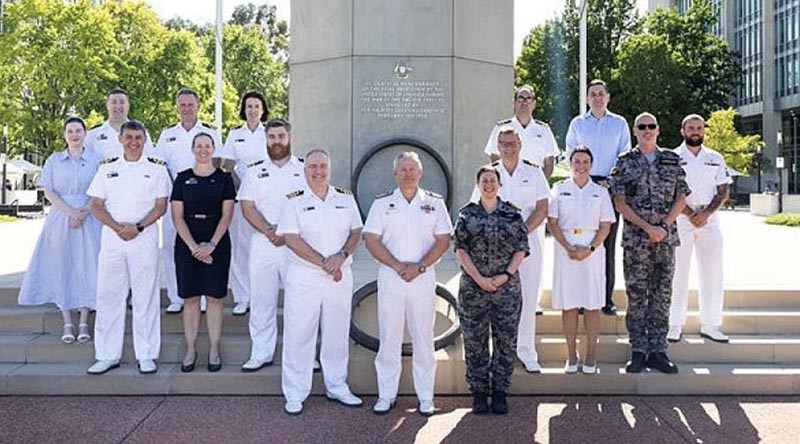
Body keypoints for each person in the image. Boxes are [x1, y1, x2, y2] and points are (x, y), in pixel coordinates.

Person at [363, 152, 452, 416]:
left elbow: (444, 240)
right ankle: (386, 395)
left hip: (423, 278)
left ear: (421, 172)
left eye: (412, 169)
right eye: (402, 169)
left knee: (423, 337)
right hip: (392, 277)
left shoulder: (434, 203)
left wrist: (420, 266)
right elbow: (371, 239)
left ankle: (425, 397)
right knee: (389, 337)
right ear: (395, 174)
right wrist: (398, 265)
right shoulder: (382, 204)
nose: (408, 173)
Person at [277, 149, 363, 415]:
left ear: (330, 168)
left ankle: (337, 386)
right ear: (305, 170)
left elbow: (356, 231)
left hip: (339, 275)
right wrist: (324, 262)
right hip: (305, 276)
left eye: (322, 166)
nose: (318, 171)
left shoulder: (345, 198)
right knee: (299, 334)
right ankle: (295, 392)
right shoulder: (294, 201)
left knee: (336, 333)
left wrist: (341, 256)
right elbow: (291, 238)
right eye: (312, 167)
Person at [85, 120, 170, 375]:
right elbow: (96, 205)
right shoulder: (107, 168)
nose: (134, 143)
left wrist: (138, 227)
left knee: (145, 297)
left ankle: (146, 355)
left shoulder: (156, 169)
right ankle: (107, 355)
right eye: (129, 138)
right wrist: (117, 227)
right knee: (109, 296)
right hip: (113, 239)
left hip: (143, 239)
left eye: (139, 138)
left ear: (145, 140)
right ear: (120, 140)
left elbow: (161, 205)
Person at [610, 112, 688, 374]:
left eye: (651, 126)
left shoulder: (672, 160)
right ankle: (638, 350)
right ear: (634, 131)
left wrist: (663, 226)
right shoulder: (624, 162)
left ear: (658, 130)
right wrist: (647, 228)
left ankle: (658, 350)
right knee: (637, 295)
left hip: (665, 239)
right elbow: (620, 202)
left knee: (662, 295)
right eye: (641, 126)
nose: (646, 130)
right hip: (636, 240)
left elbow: (681, 198)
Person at [18, 117, 102, 344]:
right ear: (65, 134)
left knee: (87, 266)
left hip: (90, 217)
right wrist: (71, 213)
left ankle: (84, 320)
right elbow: (49, 192)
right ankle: (67, 320)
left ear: (85, 134)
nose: (74, 135)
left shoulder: (96, 160)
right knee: (62, 266)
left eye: (78, 130)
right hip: (61, 218)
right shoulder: (54, 160)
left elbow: (100, 190)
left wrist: (83, 212)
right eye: (70, 131)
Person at [471, 126, 548, 373]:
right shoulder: (490, 174)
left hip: (527, 244)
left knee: (526, 297)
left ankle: (526, 350)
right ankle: (499, 352)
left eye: (512, 143)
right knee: (496, 301)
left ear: (520, 145)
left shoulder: (534, 172)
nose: (508, 147)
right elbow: (476, 208)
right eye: (503, 143)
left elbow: (542, 207)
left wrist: (519, 233)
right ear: (498, 146)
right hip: (494, 249)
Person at [454, 165, 529, 415]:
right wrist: (478, 278)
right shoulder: (467, 215)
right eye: (484, 180)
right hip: (473, 290)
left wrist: (505, 275)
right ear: (478, 185)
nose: (488, 184)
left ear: (499, 184)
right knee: (475, 342)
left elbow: (522, 248)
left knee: (505, 341)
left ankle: (499, 391)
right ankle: (478, 392)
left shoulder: (512, 214)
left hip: (506, 289)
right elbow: (460, 249)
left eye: (492, 180)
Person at [237, 119, 305, 372]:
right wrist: (268, 229)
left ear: (290, 138)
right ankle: (261, 353)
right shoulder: (254, 171)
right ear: (266, 140)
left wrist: (286, 233)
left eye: (281, 136)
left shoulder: (304, 169)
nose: (276, 141)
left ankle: (302, 354)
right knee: (262, 301)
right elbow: (247, 206)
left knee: (298, 302)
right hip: (263, 243)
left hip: (295, 245)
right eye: (272, 137)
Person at [565, 79, 631, 316]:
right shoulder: (577, 124)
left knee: (606, 246)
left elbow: (624, 155)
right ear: (587, 98)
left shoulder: (619, 123)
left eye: (601, 94)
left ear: (608, 97)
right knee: (582, 241)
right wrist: (586, 178)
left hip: (609, 189)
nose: (597, 97)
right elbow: (569, 154)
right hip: (582, 187)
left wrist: (609, 181)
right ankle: (582, 298)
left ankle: (605, 298)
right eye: (592, 94)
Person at [547, 146, 615, 375]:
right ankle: (571, 355)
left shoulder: (600, 192)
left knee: (593, 304)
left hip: (592, 251)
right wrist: (568, 247)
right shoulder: (558, 189)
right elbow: (552, 222)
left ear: (591, 164)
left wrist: (591, 248)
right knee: (569, 304)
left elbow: (606, 225)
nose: (581, 166)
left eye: (586, 161)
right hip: (565, 249)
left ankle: (591, 355)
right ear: (570, 163)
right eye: (577, 161)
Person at [171, 133, 235, 373]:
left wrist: (211, 245)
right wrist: (194, 248)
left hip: (217, 243)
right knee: (191, 299)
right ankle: (191, 349)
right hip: (188, 242)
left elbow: (227, 215)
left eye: (207, 146)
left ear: (213, 149)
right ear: (192, 149)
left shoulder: (224, 179)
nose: (203, 150)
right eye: (199, 146)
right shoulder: (182, 178)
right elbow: (177, 217)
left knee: (215, 298)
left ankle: (214, 349)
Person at [155, 88, 223, 314]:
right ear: (177, 107)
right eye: (182, 105)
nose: (186, 109)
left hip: (203, 198)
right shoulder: (167, 135)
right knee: (172, 248)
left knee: (203, 245)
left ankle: (203, 296)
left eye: (190, 104)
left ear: (198, 106)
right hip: (176, 197)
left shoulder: (210, 132)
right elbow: (159, 166)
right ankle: (176, 296)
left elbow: (218, 162)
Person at [668, 114, 733, 344]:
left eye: (699, 127)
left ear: (704, 130)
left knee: (712, 273)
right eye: (690, 127)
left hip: (709, 219)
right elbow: (670, 192)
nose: (695, 131)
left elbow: (723, 190)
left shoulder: (715, 157)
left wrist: (705, 214)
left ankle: (711, 324)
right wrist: (690, 214)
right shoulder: (673, 158)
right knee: (677, 273)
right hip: (681, 219)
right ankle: (674, 323)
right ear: (682, 131)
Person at [219, 91, 270, 316]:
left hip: (264, 198)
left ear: (262, 109)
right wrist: (241, 189)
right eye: (248, 106)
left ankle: (260, 297)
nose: (252, 110)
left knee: (260, 248)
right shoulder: (234, 134)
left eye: (256, 106)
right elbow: (228, 165)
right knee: (239, 247)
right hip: (240, 196)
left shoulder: (269, 133)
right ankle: (242, 297)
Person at [484, 84, 560, 179]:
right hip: (507, 184)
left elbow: (549, 163)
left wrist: (539, 184)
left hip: (535, 186)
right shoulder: (501, 128)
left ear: (534, 103)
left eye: (528, 98)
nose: (524, 102)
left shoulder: (544, 130)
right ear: (514, 102)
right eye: (521, 98)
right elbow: (494, 158)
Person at [85, 88, 155, 161]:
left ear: (128, 106)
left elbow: (150, 159)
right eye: (114, 102)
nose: (118, 106)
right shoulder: (93, 135)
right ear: (107, 105)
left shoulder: (141, 134)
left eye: (122, 102)